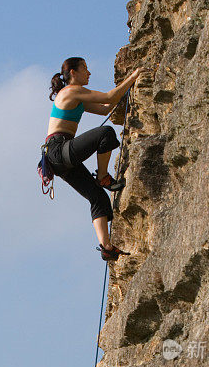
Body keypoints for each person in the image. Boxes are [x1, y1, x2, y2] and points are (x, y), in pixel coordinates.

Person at [44, 57, 143, 260]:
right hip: (59, 148)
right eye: (85, 69)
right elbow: (109, 96)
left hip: (58, 157)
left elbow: (106, 107)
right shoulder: (72, 91)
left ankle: (106, 247)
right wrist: (134, 76)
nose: (89, 73)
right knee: (105, 133)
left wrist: (126, 91)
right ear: (73, 72)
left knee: (97, 197)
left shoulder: (77, 97)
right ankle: (104, 176)